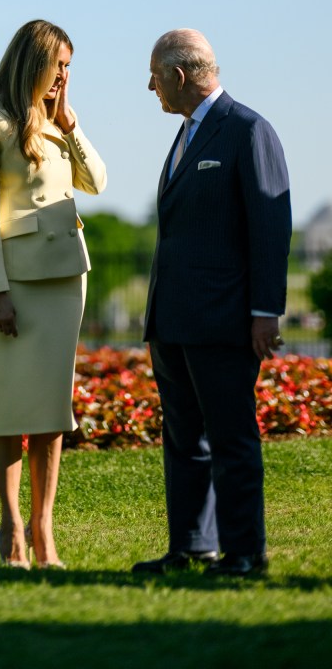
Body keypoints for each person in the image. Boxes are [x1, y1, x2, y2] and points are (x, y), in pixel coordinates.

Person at [134, 28, 291, 578]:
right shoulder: (183, 136)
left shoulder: (247, 131)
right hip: (174, 321)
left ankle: (246, 552)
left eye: (154, 75)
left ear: (178, 75)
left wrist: (265, 310)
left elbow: (270, 228)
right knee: (183, 441)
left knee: (230, 438)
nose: (148, 85)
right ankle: (192, 546)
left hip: (224, 321)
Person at [0, 19, 107, 568]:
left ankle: (45, 532)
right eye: (58, 65)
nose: (62, 77)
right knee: (7, 408)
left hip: (66, 277)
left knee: (52, 408)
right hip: (17, 283)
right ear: (34, 61)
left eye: (69, 68)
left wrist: (70, 124)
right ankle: (12, 525)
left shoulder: (56, 119)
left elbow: (96, 182)